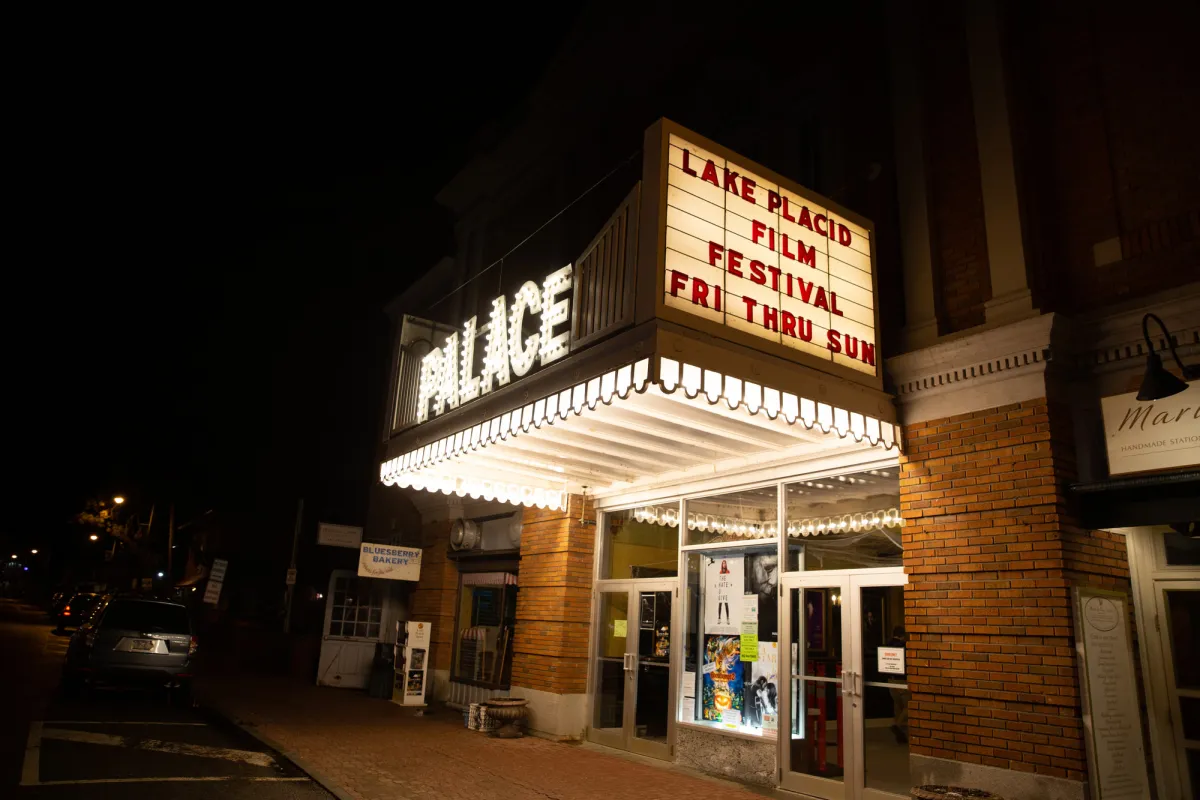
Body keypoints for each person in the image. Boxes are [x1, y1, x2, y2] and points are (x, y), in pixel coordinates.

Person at [887, 626, 909, 743]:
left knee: (897, 706)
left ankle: (900, 736)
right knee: (908, 706)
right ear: (902, 635)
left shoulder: (887, 644)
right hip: (901, 680)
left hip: (890, 680)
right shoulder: (903, 646)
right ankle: (898, 725)